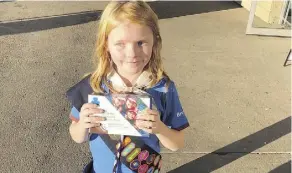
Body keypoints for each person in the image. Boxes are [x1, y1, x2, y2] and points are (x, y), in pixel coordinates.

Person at [66, 1, 189, 173]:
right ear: (105, 45)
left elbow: (177, 143)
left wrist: (160, 129)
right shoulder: (92, 86)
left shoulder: (163, 88)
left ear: (155, 42)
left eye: (141, 42)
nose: (132, 53)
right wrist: (82, 125)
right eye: (120, 44)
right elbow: (76, 136)